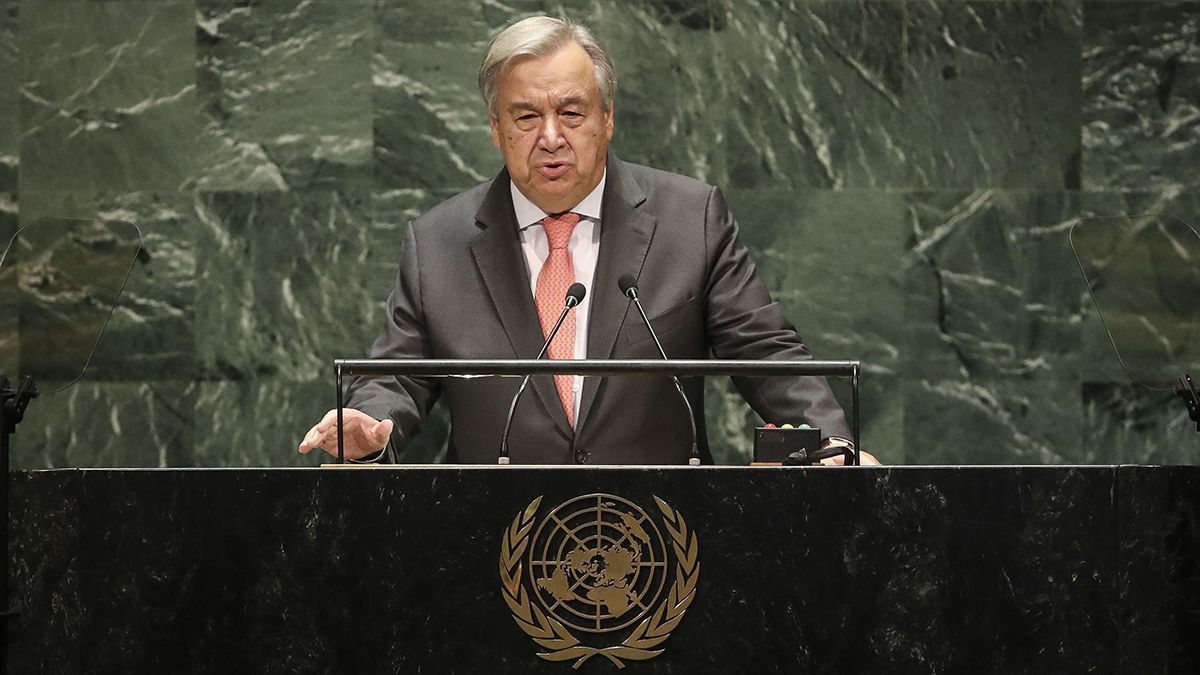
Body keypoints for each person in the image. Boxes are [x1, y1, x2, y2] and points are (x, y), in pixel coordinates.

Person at [299, 16, 878, 465]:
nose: (551, 137)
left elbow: (767, 354)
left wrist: (834, 448)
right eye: (526, 117)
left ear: (607, 118)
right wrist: (367, 427)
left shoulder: (689, 219)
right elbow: (397, 375)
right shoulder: (437, 243)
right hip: (490, 549)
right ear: (496, 130)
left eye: (571, 113)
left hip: (666, 545)